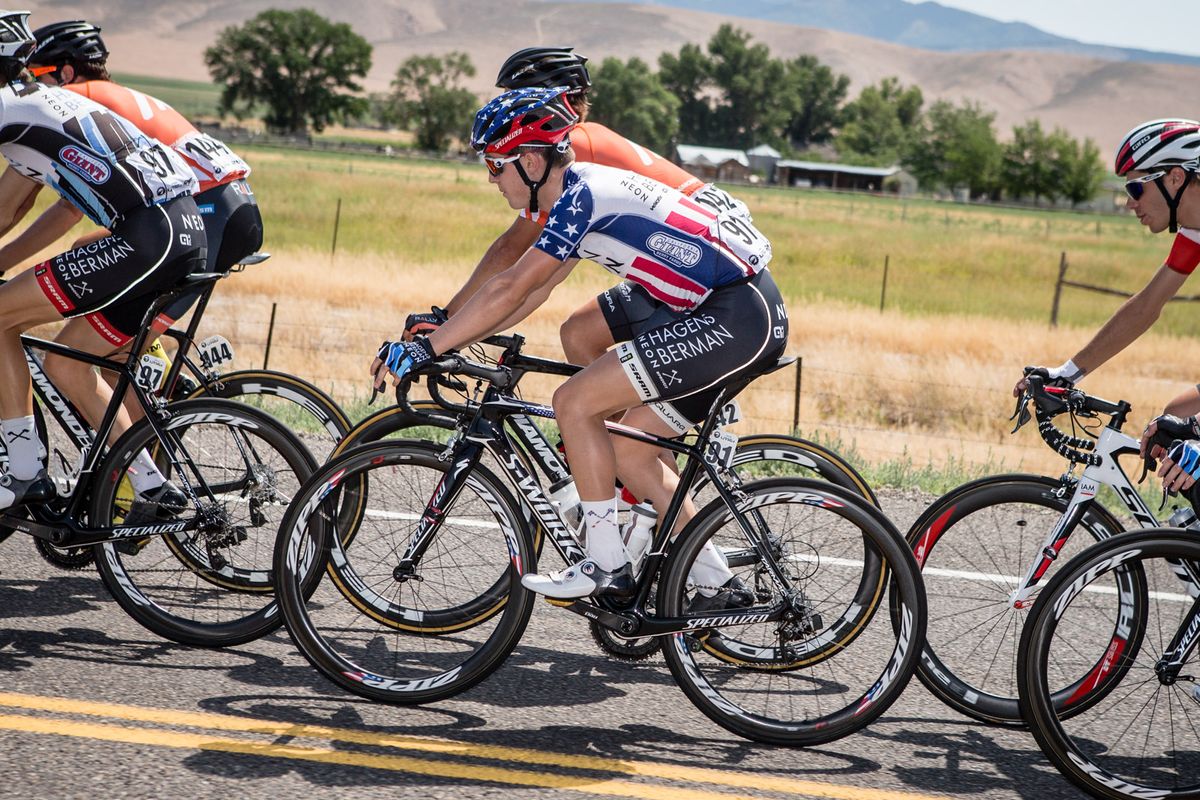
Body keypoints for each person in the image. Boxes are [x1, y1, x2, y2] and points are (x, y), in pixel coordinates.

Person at [374, 87, 788, 602]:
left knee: (574, 402)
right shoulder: (577, 195)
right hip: (736, 314)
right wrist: (453, 338)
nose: (490, 179)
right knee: (631, 451)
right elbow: (534, 289)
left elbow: (511, 286)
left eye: (495, 165)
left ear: (529, 159)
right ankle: (718, 583)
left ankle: (606, 565)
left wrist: (429, 347)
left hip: (732, 317)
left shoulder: (581, 197)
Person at [406, 46, 750, 372]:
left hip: (710, 270)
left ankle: (625, 435)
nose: (510, 108)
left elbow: (510, 252)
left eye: (517, 97)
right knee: (579, 335)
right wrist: (454, 335)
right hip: (696, 251)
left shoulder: (574, 151)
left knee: (620, 392)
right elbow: (541, 280)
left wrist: (446, 321)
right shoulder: (580, 144)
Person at [0, 9, 203, 510]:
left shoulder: (7, 106)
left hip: (145, 237)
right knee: (67, 366)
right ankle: (151, 485)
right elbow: (12, 207)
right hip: (183, 231)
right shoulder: (40, 102)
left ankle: (24, 471)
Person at [8, 21, 261, 398]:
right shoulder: (114, 94)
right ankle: (147, 396)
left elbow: (53, 208)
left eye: (39, 75)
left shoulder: (73, 99)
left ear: (65, 71)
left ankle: (146, 420)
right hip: (231, 205)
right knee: (86, 255)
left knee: (90, 354)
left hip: (205, 211)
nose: (32, 85)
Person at [1015, 119, 1200, 492]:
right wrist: (1066, 373)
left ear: (1176, 178)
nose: (1130, 202)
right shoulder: (1194, 233)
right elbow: (1147, 305)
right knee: (1174, 417)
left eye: (1136, 186)